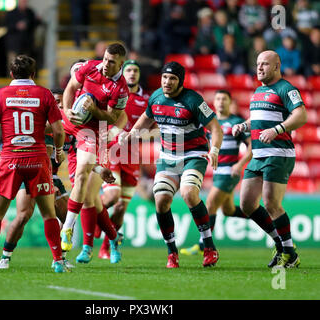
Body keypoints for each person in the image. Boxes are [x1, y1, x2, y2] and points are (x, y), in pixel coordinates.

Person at [0, 88, 115, 270]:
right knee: (23, 215)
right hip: (29, 173)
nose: (59, 105)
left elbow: (82, 158)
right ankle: (5, 257)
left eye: (62, 102)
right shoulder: (39, 125)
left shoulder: (69, 130)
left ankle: (60, 258)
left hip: (51, 177)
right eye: (56, 102)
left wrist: (99, 169)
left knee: (68, 217)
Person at [122, 61, 223, 268]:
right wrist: (129, 136)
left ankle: (209, 247)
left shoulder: (193, 100)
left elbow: (215, 127)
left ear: (180, 82)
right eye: (165, 78)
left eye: (173, 79)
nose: (167, 82)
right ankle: (172, 252)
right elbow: (143, 122)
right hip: (168, 157)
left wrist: (214, 149)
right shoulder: (156, 97)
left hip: (193, 155)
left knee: (188, 193)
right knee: (161, 200)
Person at [0, 55, 68, 273]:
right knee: (49, 214)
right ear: (33, 74)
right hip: (37, 159)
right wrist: (58, 151)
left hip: (11, 158)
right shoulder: (45, 94)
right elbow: (58, 131)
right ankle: (57, 261)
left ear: (11, 74)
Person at [181, 90, 286, 257]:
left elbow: (252, 146)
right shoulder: (210, 123)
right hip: (217, 171)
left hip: (229, 171)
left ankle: (203, 245)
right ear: (213, 102)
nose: (221, 102)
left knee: (210, 205)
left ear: (230, 102)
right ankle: (268, 222)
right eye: (218, 99)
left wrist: (240, 164)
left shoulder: (236, 122)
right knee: (228, 210)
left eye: (224, 99)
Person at [232, 50, 307, 268]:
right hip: (258, 155)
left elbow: (301, 115)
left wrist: (277, 129)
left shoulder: (286, 89)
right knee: (247, 204)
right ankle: (280, 243)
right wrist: (244, 125)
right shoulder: (258, 92)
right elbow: (256, 117)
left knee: (272, 203)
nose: (260, 68)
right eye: (258, 64)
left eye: (265, 64)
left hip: (278, 153)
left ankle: (289, 254)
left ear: (276, 66)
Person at [61, 43, 129, 264]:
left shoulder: (121, 90)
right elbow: (70, 88)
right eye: (105, 59)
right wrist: (68, 110)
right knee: (90, 198)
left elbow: (112, 118)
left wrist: (93, 110)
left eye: (111, 62)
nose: (106, 64)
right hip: (73, 130)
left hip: (93, 134)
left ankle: (69, 229)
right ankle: (113, 237)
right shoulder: (90, 67)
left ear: (121, 64)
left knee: (86, 187)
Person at [96, 59, 157, 259]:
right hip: (112, 152)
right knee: (112, 197)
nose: (131, 73)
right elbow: (101, 118)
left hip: (132, 156)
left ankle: (106, 247)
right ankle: (95, 217)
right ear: (123, 73)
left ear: (139, 74)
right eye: (128, 70)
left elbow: (156, 130)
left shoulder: (148, 100)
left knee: (121, 208)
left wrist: (140, 135)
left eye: (135, 70)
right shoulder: (112, 92)